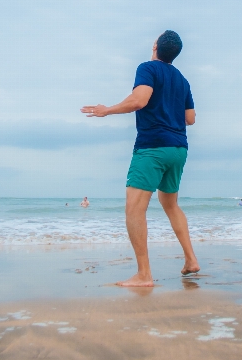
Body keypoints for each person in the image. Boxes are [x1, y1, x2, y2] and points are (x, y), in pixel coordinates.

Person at [81, 30, 199, 287]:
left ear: (155, 46)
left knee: (135, 208)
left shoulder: (147, 68)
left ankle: (144, 274)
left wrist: (107, 110)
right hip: (178, 149)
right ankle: (191, 259)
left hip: (153, 147)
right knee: (171, 205)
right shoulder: (183, 80)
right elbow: (190, 119)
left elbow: (139, 100)